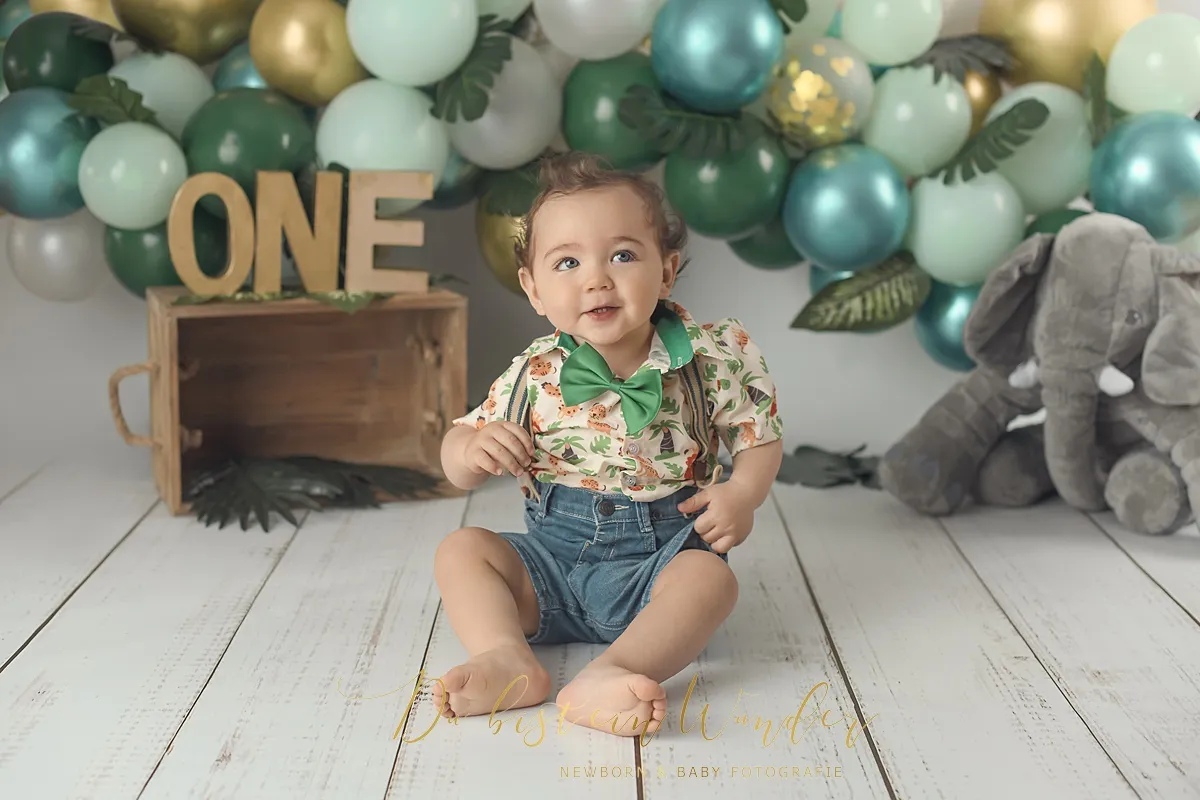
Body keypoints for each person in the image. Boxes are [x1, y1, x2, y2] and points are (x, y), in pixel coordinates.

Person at [433, 151, 784, 738]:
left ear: (666, 272)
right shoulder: (534, 373)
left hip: (661, 561)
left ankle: (615, 670)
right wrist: (471, 450)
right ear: (534, 289)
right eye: (567, 262)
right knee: (462, 550)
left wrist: (744, 492)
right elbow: (456, 457)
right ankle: (506, 656)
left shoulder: (711, 357)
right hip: (549, 566)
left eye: (622, 255)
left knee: (711, 582)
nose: (596, 278)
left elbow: (758, 434)